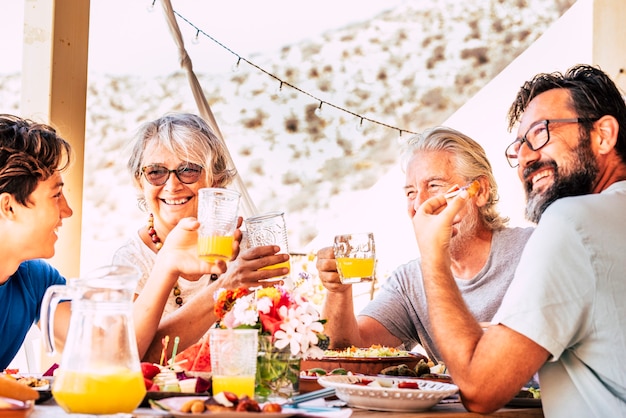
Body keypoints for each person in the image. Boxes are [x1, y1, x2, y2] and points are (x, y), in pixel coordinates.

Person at [413, 64, 626, 416]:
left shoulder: (571, 221)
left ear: (603, 134)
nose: (525, 157)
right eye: (519, 145)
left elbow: (481, 389)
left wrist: (432, 255)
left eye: (541, 133)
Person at [0, 114, 218, 369]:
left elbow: (110, 360)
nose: (68, 210)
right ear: (9, 207)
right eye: (56, 195)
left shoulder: (37, 280)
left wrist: (167, 264)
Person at [316, 126, 534, 362]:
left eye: (434, 186)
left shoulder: (534, 250)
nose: (419, 204)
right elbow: (349, 351)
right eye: (410, 192)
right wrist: (338, 291)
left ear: (479, 191)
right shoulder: (408, 282)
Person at [112, 113, 289, 364]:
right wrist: (226, 288)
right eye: (156, 172)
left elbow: (281, 345)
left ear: (215, 179)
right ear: (140, 181)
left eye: (188, 170)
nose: (172, 185)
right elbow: (132, 358)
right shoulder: (131, 262)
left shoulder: (248, 249)